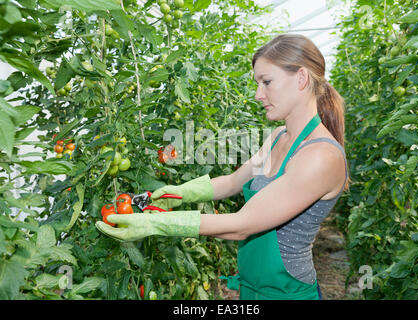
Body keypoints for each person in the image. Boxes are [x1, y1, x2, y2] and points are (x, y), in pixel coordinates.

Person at [96, 34, 348, 300]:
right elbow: (232, 182)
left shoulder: (320, 156)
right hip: (253, 288)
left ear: (301, 78)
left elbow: (242, 224)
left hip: (287, 294)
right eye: (257, 83)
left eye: (267, 82)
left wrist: (156, 223)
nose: (258, 94)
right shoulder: (278, 137)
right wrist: (176, 193)